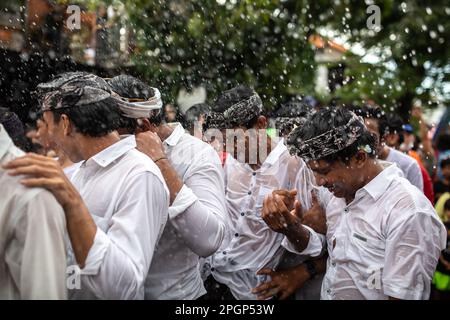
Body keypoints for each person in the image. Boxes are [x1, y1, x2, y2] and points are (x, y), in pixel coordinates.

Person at [4, 72, 169, 299]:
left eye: (48, 123)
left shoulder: (140, 175)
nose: (49, 136)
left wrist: (73, 203)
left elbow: (124, 287)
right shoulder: (83, 170)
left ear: (65, 124)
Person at [263, 107, 446, 299]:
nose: (318, 182)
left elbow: (402, 295)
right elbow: (323, 248)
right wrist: (290, 227)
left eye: (324, 171)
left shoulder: (408, 212)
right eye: (313, 172)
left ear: (359, 158)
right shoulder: (335, 192)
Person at [108, 75, 227, 300]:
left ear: (143, 126)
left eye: (111, 132)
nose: (104, 141)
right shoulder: (111, 153)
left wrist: (160, 162)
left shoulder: (197, 155)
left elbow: (210, 239)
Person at [203, 85, 327, 300]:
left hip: (252, 293)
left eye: (234, 140)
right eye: (223, 141)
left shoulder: (297, 167)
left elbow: (322, 245)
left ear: (261, 124)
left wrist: (290, 227)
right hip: (207, 281)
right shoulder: (226, 163)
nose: (229, 149)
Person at [0, 124, 67, 299]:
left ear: (65, 124)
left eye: (43, 124)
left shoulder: (30, 191)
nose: (38, 134)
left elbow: (45, 291)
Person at [353, 105, 424, 192]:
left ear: (384, 138)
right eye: (357, 134)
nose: (362, 140)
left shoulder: (409, 165)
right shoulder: (350, 161)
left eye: (369, 135)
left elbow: (415, 201)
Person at [431, 198, 450, 299]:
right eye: (448, 210)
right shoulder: (442, 227)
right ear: (445, 211)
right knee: (437, 292)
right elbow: (437, 246)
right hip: (441, 267)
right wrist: (442, 261)